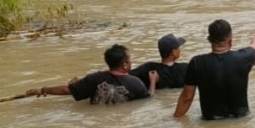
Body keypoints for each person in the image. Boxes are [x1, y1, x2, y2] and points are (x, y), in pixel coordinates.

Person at [173, 19, 255, 120]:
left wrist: (175, 120)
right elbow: (254, 45)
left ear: (209, 40)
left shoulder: (196, 63)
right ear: (230, 40)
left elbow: (187, 98)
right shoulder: (244, 58)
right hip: (240, 122)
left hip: (210, 123)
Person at [26, 44, 158, 104]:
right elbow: (149, 98)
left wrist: (43, 90)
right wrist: (152, 81)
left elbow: (67, 90)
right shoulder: (135, 83)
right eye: (129, 61)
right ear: (124, 65)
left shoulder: (93, 79)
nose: (131, 63)